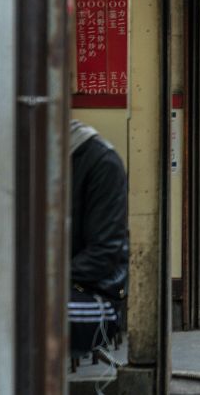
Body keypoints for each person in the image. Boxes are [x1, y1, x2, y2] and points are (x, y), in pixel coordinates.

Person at [69, 119, 129, 358]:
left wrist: (43, 279)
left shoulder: (100, 162)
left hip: (95, 294)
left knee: (20, 313)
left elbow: (104, 253)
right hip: (59, 286)